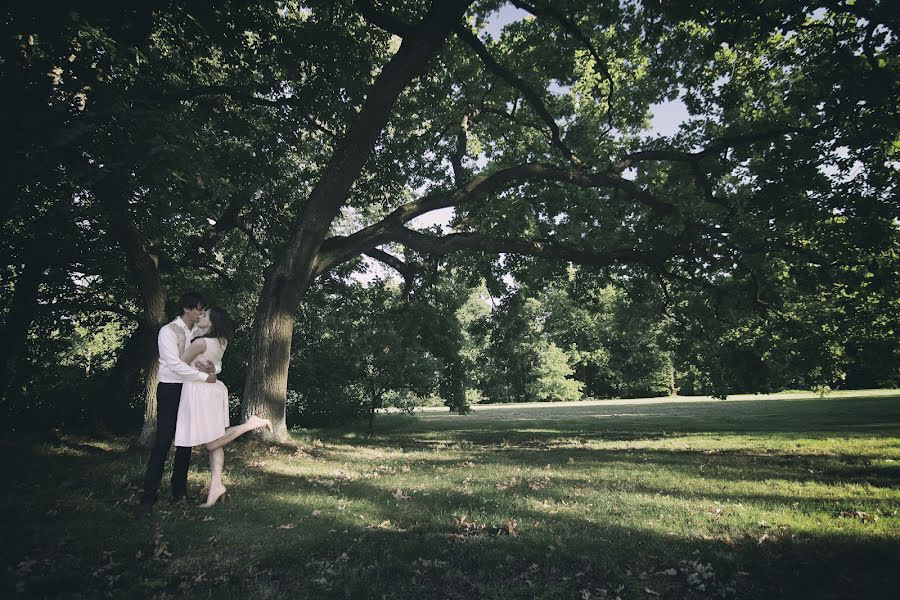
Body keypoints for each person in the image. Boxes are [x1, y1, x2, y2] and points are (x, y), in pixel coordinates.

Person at [173, 307, 272, 507]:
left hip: (202, 392)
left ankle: (251, 424)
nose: (200, 316)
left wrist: (180, 347)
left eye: (205, 315)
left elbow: (179, 364)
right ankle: (216, 487)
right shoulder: (220, 341)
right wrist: (213, 369)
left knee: (211, 443)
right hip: (211, 390)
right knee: (214, 442)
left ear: (213, 323)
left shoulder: (200, 342)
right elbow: (215, 365)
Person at [138, 291, 217, 518]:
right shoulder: (168, 331)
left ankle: (179, 493)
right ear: (186, 309)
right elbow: (173, 364)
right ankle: (148, 497)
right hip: (171, 389)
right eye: (199, 309)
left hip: (191, 390)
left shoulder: (199, 332)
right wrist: (203, 378)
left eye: (203, 309)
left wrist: (213, 371)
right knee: (163, 440)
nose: (202, 313)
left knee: (186, 441)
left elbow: (212, 358)